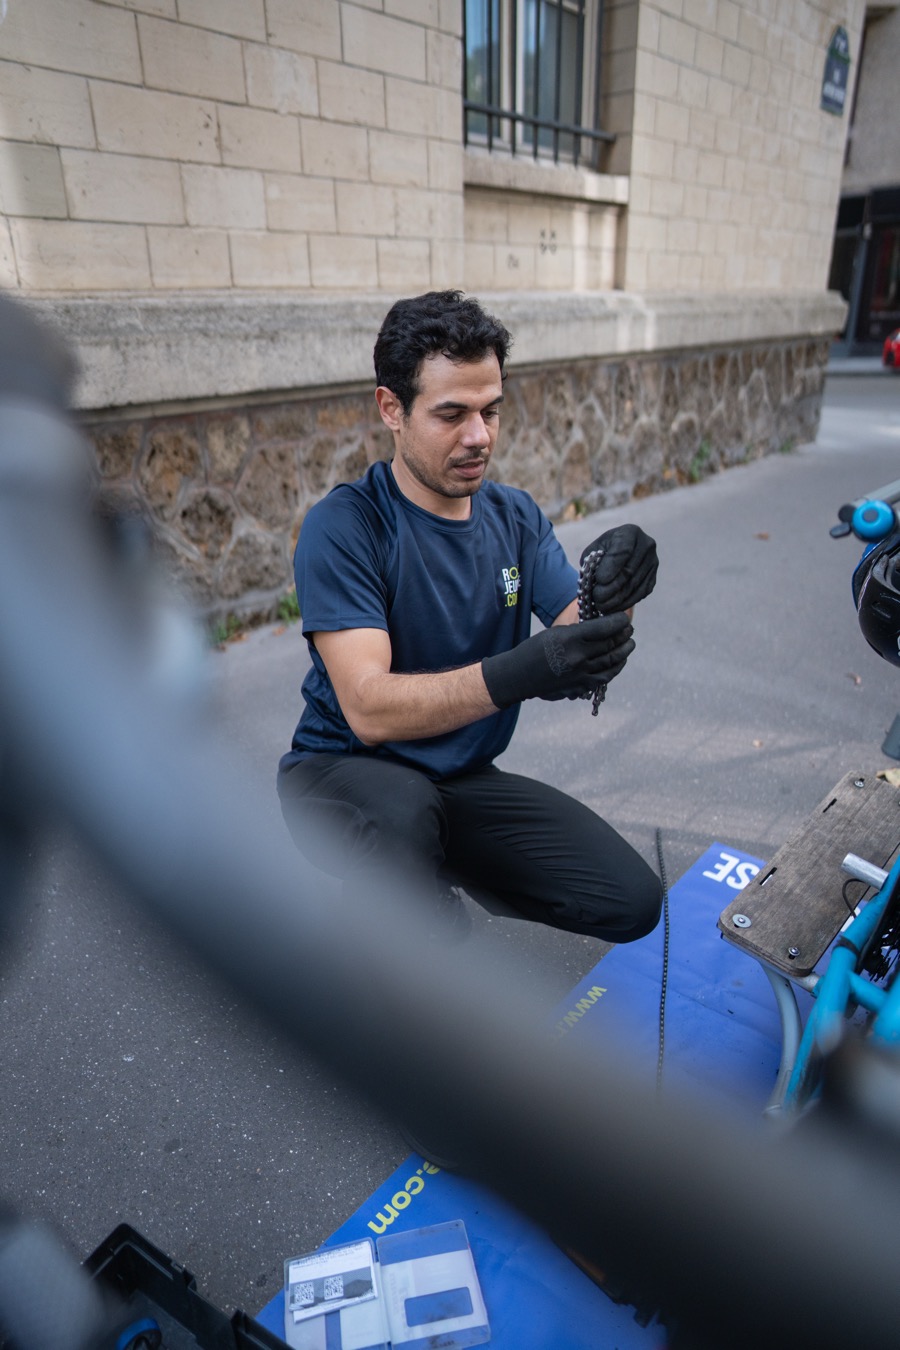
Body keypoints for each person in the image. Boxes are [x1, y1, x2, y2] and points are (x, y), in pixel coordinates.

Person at [277, 290, 661, 946]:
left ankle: (423, 873)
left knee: (630, 900)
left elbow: (580, 632)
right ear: (391, 408)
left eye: (490, 411)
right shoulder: (349, 526)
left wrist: (618, 590)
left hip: (455, 779)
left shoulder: (514, 516)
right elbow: (368, 709)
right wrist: (524, 670)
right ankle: (388, 915)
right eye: (451, 413)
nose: (479, 436)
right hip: (342, 774)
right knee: (403, 818)